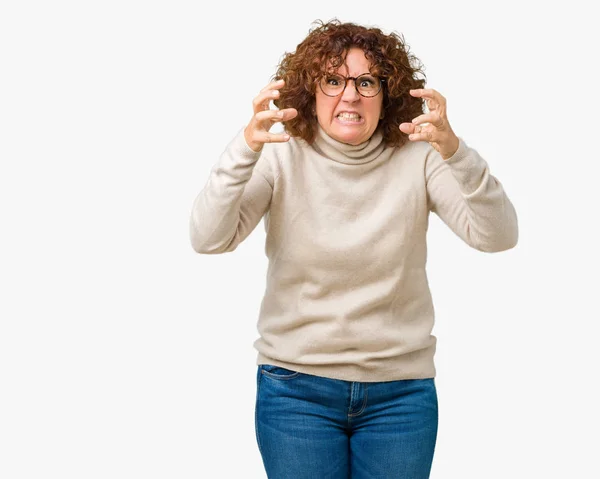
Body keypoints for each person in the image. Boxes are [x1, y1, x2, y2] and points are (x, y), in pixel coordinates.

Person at [189, 19, 518, 479]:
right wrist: (244, 148)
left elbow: (497, 236)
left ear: (387, 93)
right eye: (333, 80)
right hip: (295, 390)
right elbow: (208, 238)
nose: (350, 95)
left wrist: (455, 151)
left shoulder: (419, 154)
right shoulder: (282, 152)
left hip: (399, 395)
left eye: (366, 81)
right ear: (311, 90)